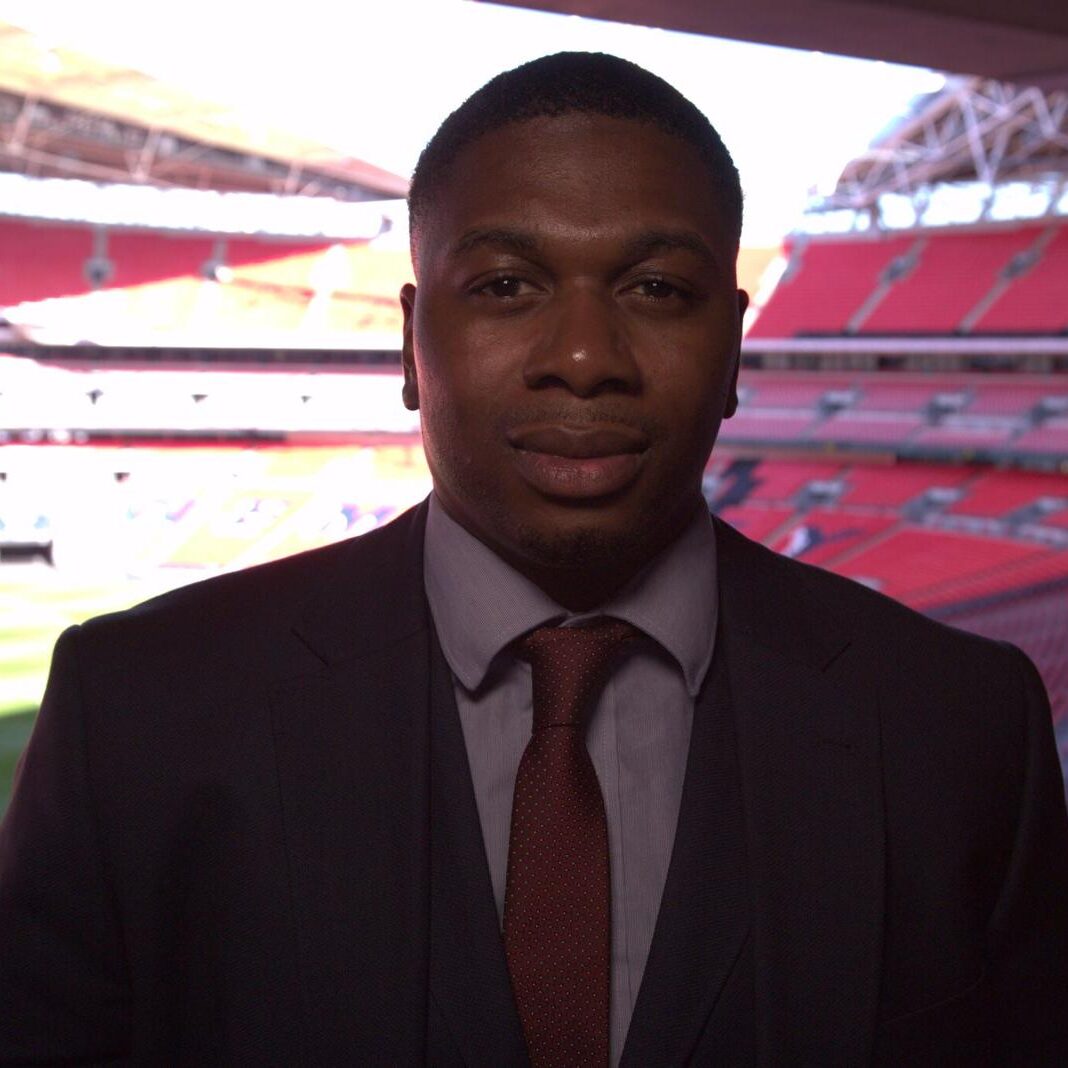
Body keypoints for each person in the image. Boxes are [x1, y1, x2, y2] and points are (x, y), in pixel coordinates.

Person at [2, 52, 1067, 1067]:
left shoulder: (962, 729)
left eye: (656, 290)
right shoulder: (137, 711)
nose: (583, 359)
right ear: (411, 345)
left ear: (738, 348)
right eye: (508, 286)